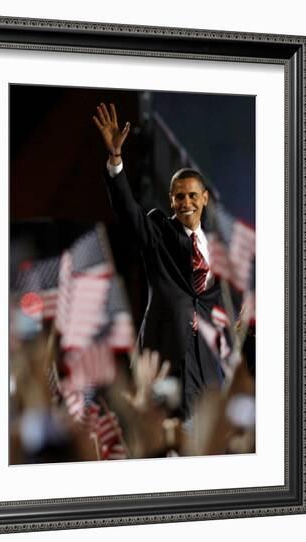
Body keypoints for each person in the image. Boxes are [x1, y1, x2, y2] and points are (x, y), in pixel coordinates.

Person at [93, 102, 224, 419]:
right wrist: (115, 160)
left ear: (204, 198)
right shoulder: (159, 231)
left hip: (206, 367)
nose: (186, 202)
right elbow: (128, 212)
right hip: (164, 354)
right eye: (179, 196)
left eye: (193, 195)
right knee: (162, 439)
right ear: (171, 200)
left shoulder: (219, 250)